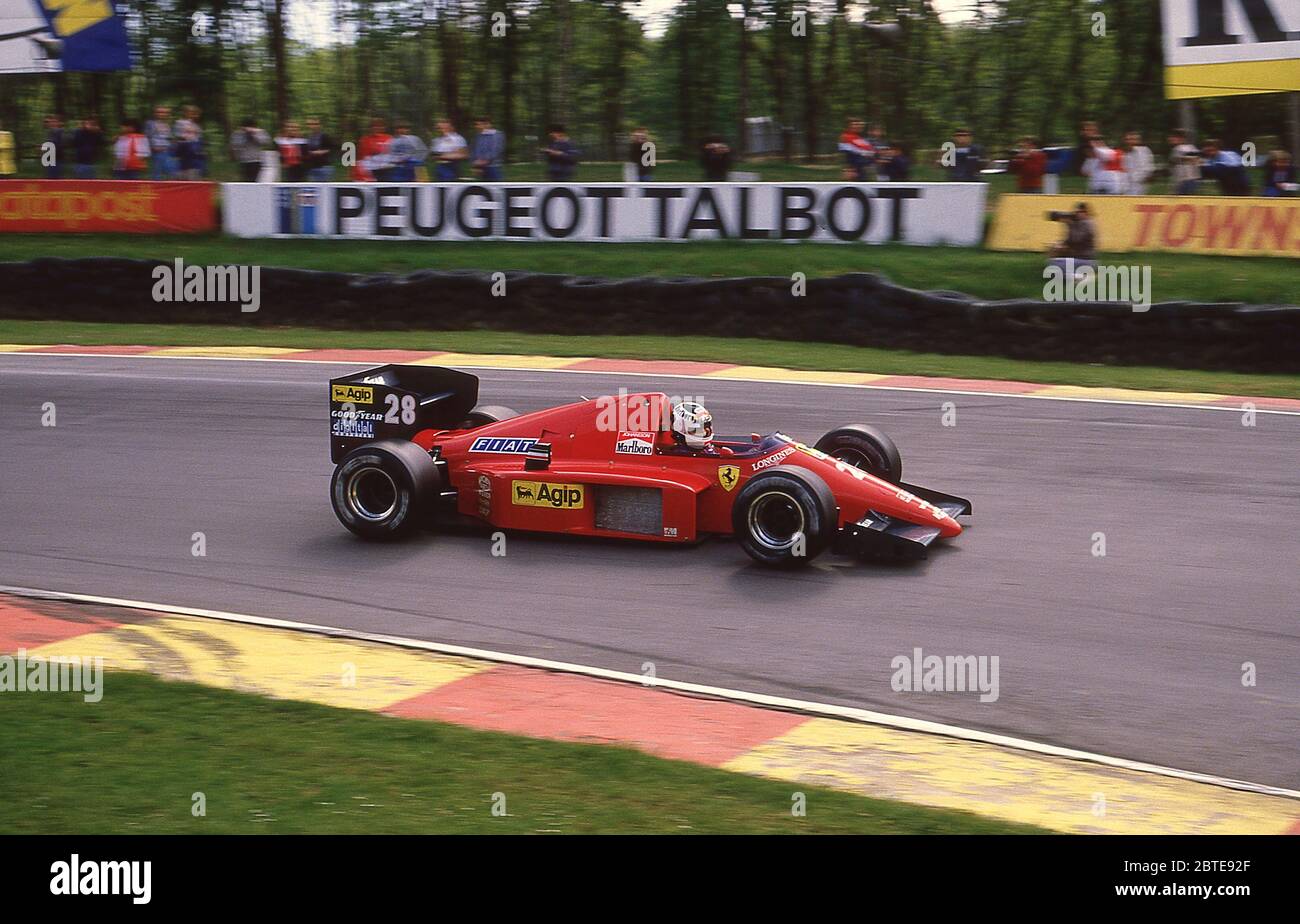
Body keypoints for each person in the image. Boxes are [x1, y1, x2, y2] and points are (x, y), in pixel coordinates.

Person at [1047, 202, 1097, 273]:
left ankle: (1078, 276)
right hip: (1080, 258)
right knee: (1054, 259)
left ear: (1084, 212)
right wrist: (1059, 245)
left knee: (1054, 265)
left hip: (1085, 260)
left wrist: (1069, 224)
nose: (1076, 214)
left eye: (1078, 212)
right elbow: (1069, 241)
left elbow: (1076, 240)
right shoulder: (1081, 223)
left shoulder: (1087, 224)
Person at [355, 117, 393, 181]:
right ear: (370, 128)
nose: (377, 128)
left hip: (387, 171)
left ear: (384, 127)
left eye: (380, 126)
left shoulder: (390, 138)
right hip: (371, 171)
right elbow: (361, 158)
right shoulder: (364, 140)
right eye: (374, 126)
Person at [173, 105, 205, 177]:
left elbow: (199, 137)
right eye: (189, 112)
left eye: (194, 113)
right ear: (185, 113)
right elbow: (178, 135)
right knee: (183, 168)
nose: (192, 114)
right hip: (184, 147)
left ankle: (193, 178)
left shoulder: (197, 125)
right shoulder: (179, 122)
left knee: (194, 168)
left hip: (195, 149)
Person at [471, 115, 505, 181]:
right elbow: (475, 150)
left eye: (481, 124)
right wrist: (475, 165)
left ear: (488, 124)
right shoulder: (478, 136)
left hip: (493, 167)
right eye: (477, 124)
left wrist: (484, 161)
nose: (478, 127)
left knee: (495, 188)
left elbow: (495, 150)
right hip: (481, 167)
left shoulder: (496, 134)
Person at [1167, 129, 1201, 195]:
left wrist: (1182, 159)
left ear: (1181, 138)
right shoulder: (1177, 149)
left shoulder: (1187, 148)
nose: (1170, 139)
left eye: (1173, 137)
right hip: (1181, 180)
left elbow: (1196, 159)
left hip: (1188, 180)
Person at [144, 106, 174, 179]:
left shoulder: (167, 125)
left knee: (170, 170)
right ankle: (156, 188)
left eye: (165, 113)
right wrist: (153, 147)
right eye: (160, 112)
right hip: (157, 151)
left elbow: (168, 137)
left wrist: (172, 144)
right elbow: (147, 136)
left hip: (167, 150)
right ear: (155, 113)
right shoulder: (150, 123)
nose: (162, 114)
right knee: (157, 172)